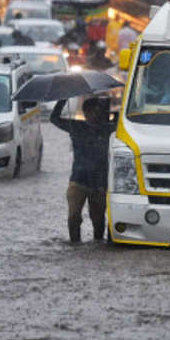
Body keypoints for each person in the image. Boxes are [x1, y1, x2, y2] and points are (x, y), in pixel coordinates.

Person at [50, 97, 117, 242]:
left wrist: (112, 114)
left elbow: (121, 123)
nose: (95, 115)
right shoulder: (76, 127)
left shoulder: (106, 129)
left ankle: (98, 243)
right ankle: (75, 243)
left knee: (98, 219)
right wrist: (62, 99)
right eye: (92, 112)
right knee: (73, 216)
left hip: (99, 183)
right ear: (85, 113)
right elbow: (54, 118)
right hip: (78, 181)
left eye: (98, 112)